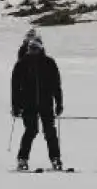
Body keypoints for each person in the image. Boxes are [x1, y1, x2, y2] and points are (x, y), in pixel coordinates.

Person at [12, 32, 65, 172]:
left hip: (46, 103)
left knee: (50, 132)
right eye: (31, 47)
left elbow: (56, 85)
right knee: (31, 130)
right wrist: (16, 106)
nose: (33, 50)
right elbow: (15, 87)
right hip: (28, 104)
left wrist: (59, 103)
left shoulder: (49, 63)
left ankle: (55, 159)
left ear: (41, 48)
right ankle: (22, 159)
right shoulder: (22, 64)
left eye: (36, 47)